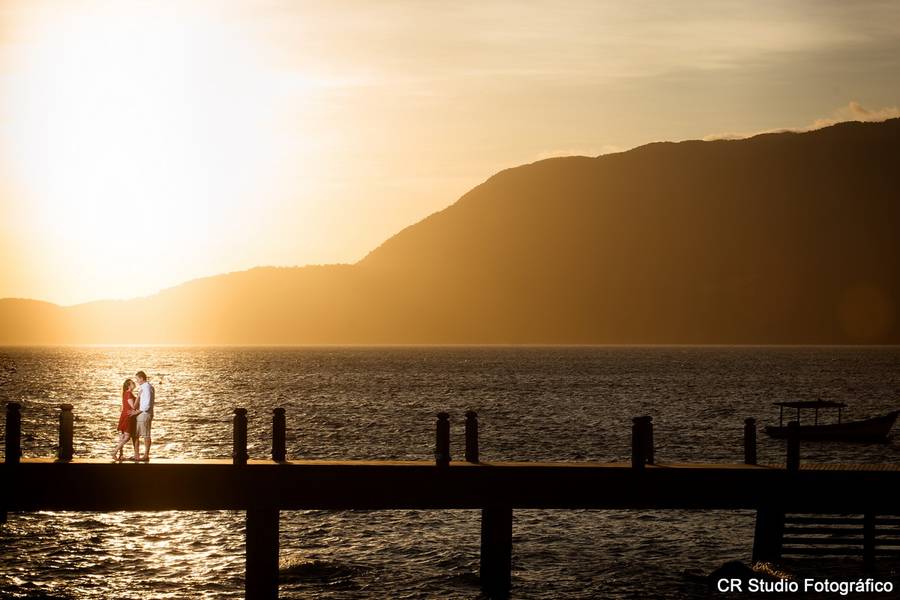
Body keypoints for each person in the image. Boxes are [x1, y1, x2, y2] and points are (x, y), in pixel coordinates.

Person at [112, 378, 140, 461]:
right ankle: (114, 452)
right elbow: (133, 406)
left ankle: (121, 455)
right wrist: (139, 397)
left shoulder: (126, 393)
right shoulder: (129, 394)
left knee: (123, 436)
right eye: (132, 383)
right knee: (127, 437)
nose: (134, 384)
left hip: (125, 415)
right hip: (128, 417)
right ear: (129, 386)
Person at [135, 370, 155, 461]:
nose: (136, 381)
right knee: (137, 435)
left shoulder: (146, 387)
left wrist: (138, 411)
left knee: (146, 435)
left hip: (144, 414)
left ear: (142, 378)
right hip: (142, 414)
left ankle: (146, 455)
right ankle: (138, 455)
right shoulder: (146, 387)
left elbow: (147, 404)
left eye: (137, 379)